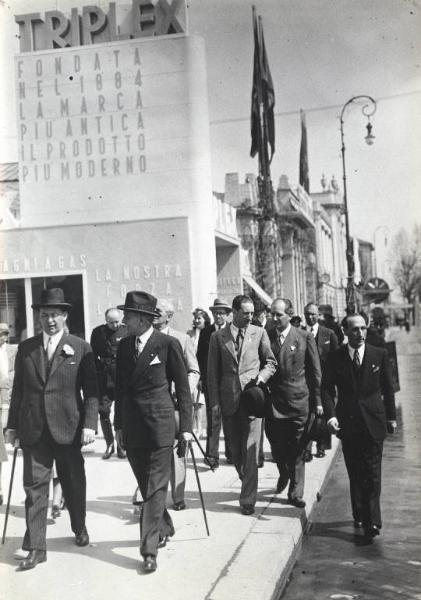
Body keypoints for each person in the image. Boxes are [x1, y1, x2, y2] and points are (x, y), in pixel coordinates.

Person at [5, 288, 98, 571]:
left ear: (65, 315)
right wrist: (12, 426)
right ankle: (37, 547)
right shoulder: (26, 348)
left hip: (68, 429)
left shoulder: (80, 347)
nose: (49, 321)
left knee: (73, 482)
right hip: (34, 429)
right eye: (44, 315)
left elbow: (92, 392)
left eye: (55, 315)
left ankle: (79, 525)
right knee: (34, 488)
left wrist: (90, 425)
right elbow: (19, 390)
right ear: (38, 318)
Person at [114, 291, 192, 573]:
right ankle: (165, 525)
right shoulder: (123, 346)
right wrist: (118, 426)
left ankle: (148, 549)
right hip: (133, 426)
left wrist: (186, 428)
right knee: (147, 485)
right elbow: (121, 390)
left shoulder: (167, 344)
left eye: (128, 316)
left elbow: (182, 389)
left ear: (144, 319)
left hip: (160, 425)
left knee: (156, 486)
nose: (124, 321)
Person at [322, 313, 397, 539]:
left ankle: (373, 520)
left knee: (373, 471)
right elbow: (326, 389)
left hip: (374, 421)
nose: (360, 333)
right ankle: (360, 514)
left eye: (363, 328)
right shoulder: (335, 358)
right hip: (349, 422)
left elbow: (388, 388)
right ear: (345, 331)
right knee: (355, 471)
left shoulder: (379, 354)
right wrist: (331, 416)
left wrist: (391, 418)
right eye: (355, 329)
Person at [207, 295, 276, 515]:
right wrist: (215, 403)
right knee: (235, 452)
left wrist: (261, 379)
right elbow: (212, 374)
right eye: (245, 313)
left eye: (251, 313)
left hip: (253, 399)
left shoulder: (259, 333)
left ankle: (248, 499)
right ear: (234, 313)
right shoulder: (218, 337)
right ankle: (246, 478)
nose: (249, 317)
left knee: (250, 449)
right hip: (229, 400)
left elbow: (271, 362)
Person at [265, 298, 322, 508]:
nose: (274, 318)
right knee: (277, 446)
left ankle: (296, 492)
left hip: (299, 401)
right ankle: (284, 473)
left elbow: (316, 373)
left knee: (298, 448)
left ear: (289, 314)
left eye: (278, 314)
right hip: (275, 402)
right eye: (272, 313)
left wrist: (318, 402)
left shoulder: (304, 337)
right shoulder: (267, 336)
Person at [153, 299, 200, 511]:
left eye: (159, 311)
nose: (154, 314)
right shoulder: (144, 338)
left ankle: (178, 496)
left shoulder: (182, 339)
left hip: (176, 405)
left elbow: (194, 370)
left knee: (179, 450)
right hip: (153, 405)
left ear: (169, 316)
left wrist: (182, 390)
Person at [197, 298, 233, 468]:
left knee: (229, 418)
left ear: (227, 315)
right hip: (211, 382)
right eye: (216, 313)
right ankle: (212, 456)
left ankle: (231, 453)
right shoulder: (206, 333)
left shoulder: (233, 332)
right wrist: (201, 379)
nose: (218, 316)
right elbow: (200, 358)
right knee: (213, 419)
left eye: (222, 313)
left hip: (228, 382)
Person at [90, 307, 128, 459]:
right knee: (103, 411)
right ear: (106, 321)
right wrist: (99, 369)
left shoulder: (126, 331)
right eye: (111, 322)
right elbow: (92, 354)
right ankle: (109, 444)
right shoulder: (98, 332)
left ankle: (121, 445)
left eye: (117, 321)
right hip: (104, 377)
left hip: (122, 377)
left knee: (122, 412)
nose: (115, 325)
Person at [303, 302, 338, 461]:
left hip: (325, 381)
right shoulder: (300, 333)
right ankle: (307, 447)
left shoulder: (328, 334)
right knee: (307, 415)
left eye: (313, 314)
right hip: (305, 381)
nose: (310, 317)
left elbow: (337, 358)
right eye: (307, 314)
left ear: (318, 315)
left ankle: (322, 445)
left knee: (324, 414)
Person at [0, 323, 17, 505]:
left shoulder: (14, 351)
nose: (1, 337)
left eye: (3, 334)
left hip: (8, 399)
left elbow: (16, 375)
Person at [187, 307, 210, 438]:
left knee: (201, 402)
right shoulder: (190, 334)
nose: (196, 320)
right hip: (192, 369)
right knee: (194, 402)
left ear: (205, 319)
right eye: (195, 318)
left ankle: (203, 427)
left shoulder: (208, 333)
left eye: (199, 318)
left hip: (204, 370)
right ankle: (197, 427)